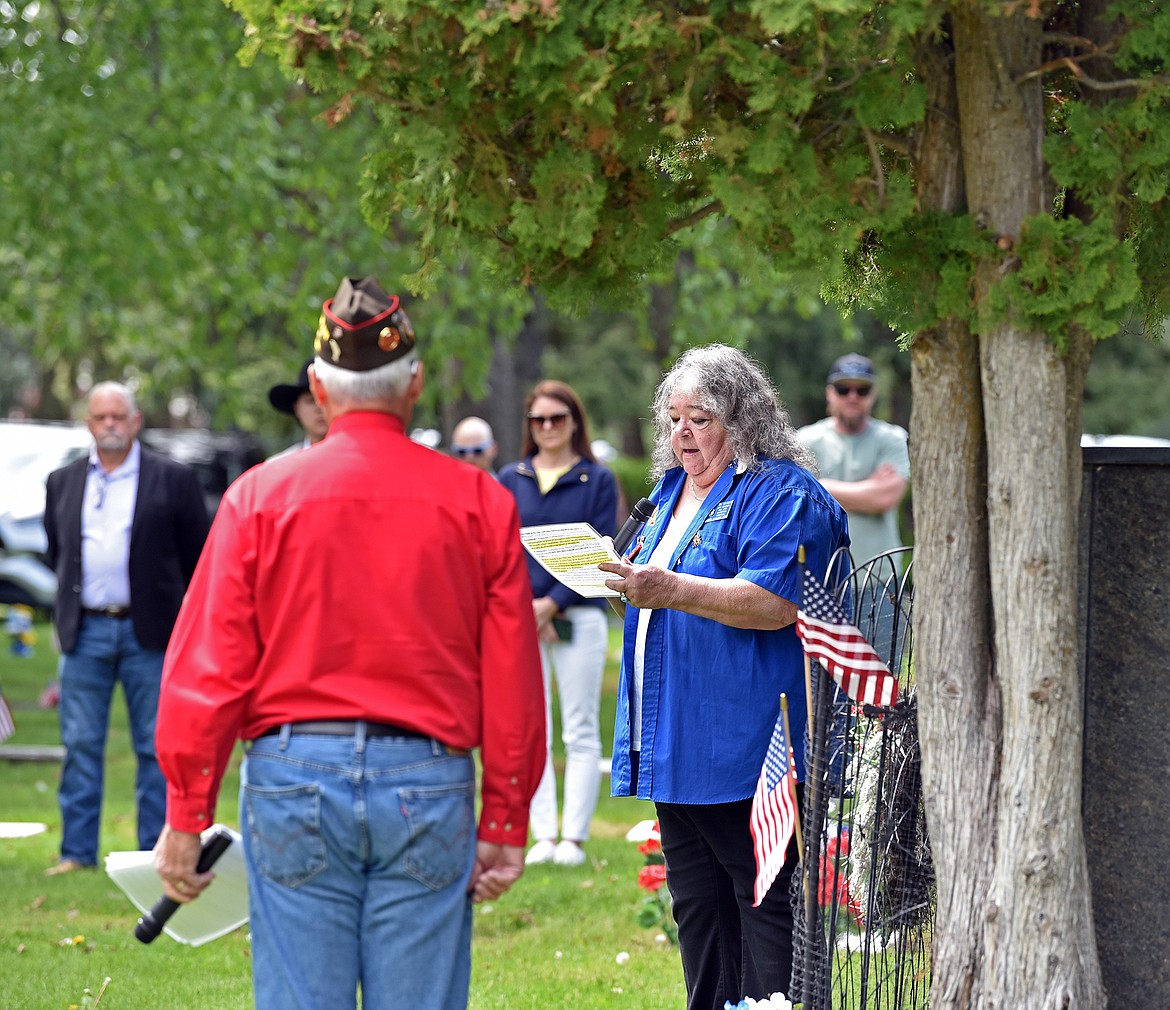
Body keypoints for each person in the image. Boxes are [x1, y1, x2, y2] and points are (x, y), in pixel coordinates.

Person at [150, 276, 545, 1010]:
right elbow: (514, 675)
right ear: (414, 384)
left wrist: (185, 811)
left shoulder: (259, 498)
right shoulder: (479, 501)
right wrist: (505, 816)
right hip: (427, 775)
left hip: (294, 770)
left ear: (318, 388)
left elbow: (210, 665)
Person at [598, 344, 848, 1009]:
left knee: (763, 904)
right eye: (673, 418)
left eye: (700, 418)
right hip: (673, 741)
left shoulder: (781, 492)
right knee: (698, 908)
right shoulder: (666, 493)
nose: (682, 433)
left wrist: (672, 589)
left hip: (746, 746)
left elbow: (776, 600)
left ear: (745, 422)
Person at [43, 382, 210, 875]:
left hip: (150, 633)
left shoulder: (172, 479)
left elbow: (197, 554)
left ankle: (150, 850)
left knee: (156, 745)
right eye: (101, 417)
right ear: (89, 423)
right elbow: (58, 551)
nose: (110, 424)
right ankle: (76, 851)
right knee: (80, 744)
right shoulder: (63, 481)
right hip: (86, 631)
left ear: (136, 421)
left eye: (119, 415)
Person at [498, 380, 618, 867]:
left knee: (581, 726)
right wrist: (530, 607)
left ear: (574, 421)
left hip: (580, 616)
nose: (547, 428)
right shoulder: (511, 476)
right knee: (533, 728)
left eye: (557, 418)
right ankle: (543, 834)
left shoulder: (597, 479)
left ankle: (574, 838)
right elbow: (501, 546)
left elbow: (602, 548)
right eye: (538, 420)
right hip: (521, 619)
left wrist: (553, 603)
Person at [797, 353, 910, 568]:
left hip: (880, 577)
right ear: (830, 393)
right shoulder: (805, 440)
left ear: (873, 394)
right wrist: (869, 489)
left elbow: (886, 498)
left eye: (862, 390)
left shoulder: (893, 438)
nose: (852, 397)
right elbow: (797, 498)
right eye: (843, 389)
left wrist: (819, 487)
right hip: (821, 577)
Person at [267, 358, 329, 459]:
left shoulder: (360, 459)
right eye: (311, 400)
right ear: (297, 408)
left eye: (325, 399)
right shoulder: (281, 466)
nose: (319, 408)